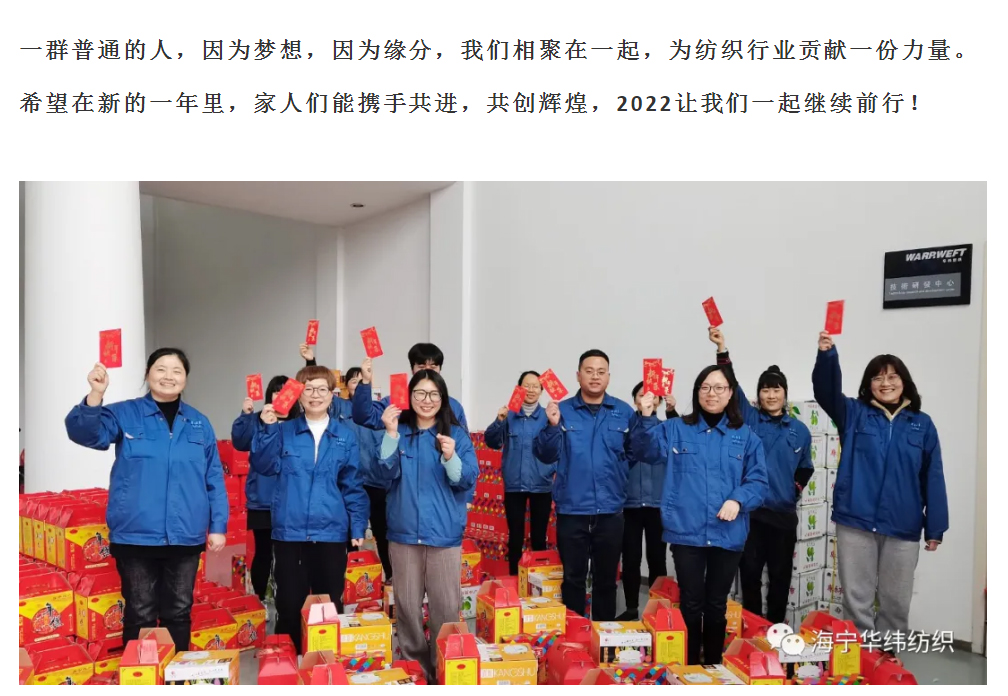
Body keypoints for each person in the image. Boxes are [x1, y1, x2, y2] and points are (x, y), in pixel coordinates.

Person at [65, 349, 228, 651]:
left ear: (185, 378)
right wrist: (95, 395)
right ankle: (139, 674)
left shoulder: (199, 423)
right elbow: (84, 434)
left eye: (177, 370)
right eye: (161, 369)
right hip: (135, 533)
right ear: (148, 374)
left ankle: (173, 672)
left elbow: (214, 478)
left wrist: (218, 526)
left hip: (185, 534)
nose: (169, 376)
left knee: (178, 610)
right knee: (140, 611)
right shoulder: (124, 414)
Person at [812, 331, 948, 645]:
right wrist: (827, 355)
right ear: (868, 384)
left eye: (892, 377)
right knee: (856, 598)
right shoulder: (853, 414)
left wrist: (935, 527)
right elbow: (825, 390)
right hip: (855, 520)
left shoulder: (922, 424)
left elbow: (933, 475)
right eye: (877, 378)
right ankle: (860, 656)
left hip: (903, 524)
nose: (885, 383)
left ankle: (888, 656)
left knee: (896, 600)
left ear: (904, 382)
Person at [631, 365, 768, 665]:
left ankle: (713, 667)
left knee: (716, 605)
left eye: (719, 388)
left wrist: (738, 499)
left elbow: (759, 482)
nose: (711, 393)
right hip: (687, 532)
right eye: (705, 387)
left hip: (727, 533)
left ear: (730, 394)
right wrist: (646, 415)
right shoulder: (676, 429)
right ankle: (690, 668)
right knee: (691, 604)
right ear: (696, 393)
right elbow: (645, 451)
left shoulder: (745, 436)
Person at [250, 365, 370, 654]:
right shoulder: (283, 431)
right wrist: (267, 429)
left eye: (322, 389)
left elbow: (353, 484)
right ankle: (288, 665)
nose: (315, 395)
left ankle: (324, 666)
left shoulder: (344, 436)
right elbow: (263, 465)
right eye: (309, 389)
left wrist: (357, 525)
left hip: (331, 532)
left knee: (328, 606)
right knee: (289, 605)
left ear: (332, 395)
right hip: (290, 533)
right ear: (298, 395)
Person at [373, 370, 478, 681]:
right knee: (407, 607)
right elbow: (383, 476)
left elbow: (466, 480)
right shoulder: (399, 431)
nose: (426, 400)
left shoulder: (456, 435)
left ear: (443, 398)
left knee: (446, 608)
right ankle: (416, 672)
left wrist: (451, 456)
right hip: (404, 534)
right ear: (409, 397)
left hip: (444, 535)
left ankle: (444, 670)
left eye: (434, 394)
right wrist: (390, 435)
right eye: (420, 393)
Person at [709, 327, 813, 625]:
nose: (771, 395)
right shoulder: (750, 419)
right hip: (751, 515)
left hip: (783, 516)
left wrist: (793, 488)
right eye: (765, 390)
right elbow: (731, 384)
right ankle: (754, 631)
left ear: (784, 394)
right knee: (750, 576)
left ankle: (776, 631)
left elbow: (806, 466)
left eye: (776, 389)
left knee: (780, 578)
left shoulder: (799, 430)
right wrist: (722, 350)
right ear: (759, 395)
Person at [533, 349, 636, 622]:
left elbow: (636, 452)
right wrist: (552, 426)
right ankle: (575, 636)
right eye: (589, 371)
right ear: (578, 376)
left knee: (606, 580)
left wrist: (617, 473)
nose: (595, 376)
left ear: (609, 377)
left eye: (601, 372)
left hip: (610, 510)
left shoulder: (623, 412)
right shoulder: (562, 411)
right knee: (573, 578)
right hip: (572, 508)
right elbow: (544, 454)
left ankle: (603, 634)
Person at [231, 375, 304, 602]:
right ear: (269, 395)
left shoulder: (299, 423)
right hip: (262, 499)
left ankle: (288, 599)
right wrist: (246, 415)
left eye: (285, 392)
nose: (280, 396)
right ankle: (260, 599)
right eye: (275, 391)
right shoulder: (258, 419)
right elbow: (240, 442)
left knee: (290, 554)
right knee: (263, 551)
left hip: (292, 500)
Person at [483, 371, 555, 576]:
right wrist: (499, 420)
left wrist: (550, 470)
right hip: (514, 484)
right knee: (515, 538)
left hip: (541, 485)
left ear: (542, 390)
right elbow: (492, 442)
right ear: (519, 389)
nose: (531, 390)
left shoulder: (548, 417)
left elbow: (557, 447)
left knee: (539, 538)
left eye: (535, 386)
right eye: (526, 385)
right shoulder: (510, 415)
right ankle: (515, 581)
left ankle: (539, 583)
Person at [618, 381, 679, 621]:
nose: (647, 399)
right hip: (629, 503)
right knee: (630, 558)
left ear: (660, 401)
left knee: (657, 558)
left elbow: (682, 440)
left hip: (657, 504)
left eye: (653, 396)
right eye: (642, 395)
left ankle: (659, 611)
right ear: (635, 400)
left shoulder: (667, 427)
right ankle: (631, 607)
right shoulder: (625, 428)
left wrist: (672, 413)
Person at [351, 342, 469, 431]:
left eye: (433, 367)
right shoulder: (397, 401)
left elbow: (464, 444)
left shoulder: (453, 406)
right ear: (412, 369)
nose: (427, 372)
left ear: (440, 370)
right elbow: (365, 417)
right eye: (421, 367)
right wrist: (365, 381)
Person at [343, 366, 389, 580]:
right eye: (354, 381)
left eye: (362, 381)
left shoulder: (378, 411)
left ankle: (390, 575)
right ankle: (351, 575)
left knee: (383, 531)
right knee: (352, 532)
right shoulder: (342, 411)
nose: (358, 385)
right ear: (346, 386)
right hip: (352, 482)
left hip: (377, 481)